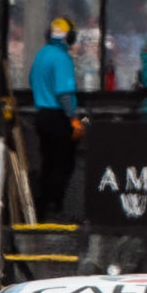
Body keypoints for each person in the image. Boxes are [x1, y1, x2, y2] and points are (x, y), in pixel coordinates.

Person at [30, 17, 85, 218]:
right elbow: (64, 93)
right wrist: (75, 120)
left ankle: (44, 207)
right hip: (58, 118)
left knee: (48, 162)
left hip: (41, 117)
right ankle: (56, 207)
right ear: (69, 37)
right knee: (63, 163)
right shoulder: (62, 58)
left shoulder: (42, 54)